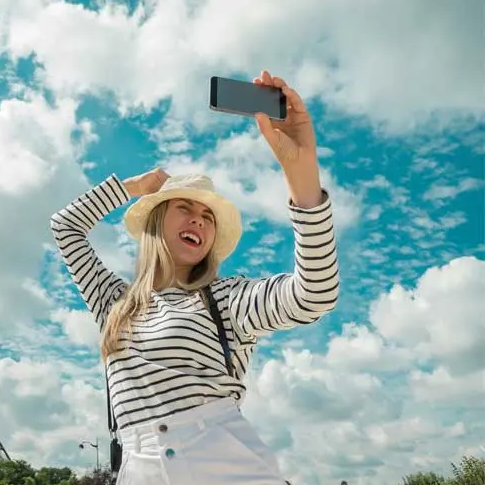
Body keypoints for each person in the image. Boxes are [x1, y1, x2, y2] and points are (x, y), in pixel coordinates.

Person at [51, 71, 340, 484]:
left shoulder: (224, 299)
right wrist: (135, 187)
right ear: (155, 221)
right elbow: (65, 228)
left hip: (219, 463)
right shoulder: (114, 303)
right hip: (137, 466)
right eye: (183, 208)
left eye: (208, 216)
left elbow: (315, 293)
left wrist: (302, 173)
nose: (199, 221)